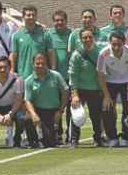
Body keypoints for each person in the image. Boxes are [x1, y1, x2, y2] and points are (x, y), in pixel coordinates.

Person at [97, 31, 128, 147]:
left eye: (119, 44)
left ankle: (126, 137)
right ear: (110, 43)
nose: (116, 47)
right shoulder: (103, 53)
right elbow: (100, 75)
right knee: (106, 109)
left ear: (124, 43)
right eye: (113, 44)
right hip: (110, 81)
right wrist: (106, 96)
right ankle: (112, 137)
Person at [67, 27, 105, 148]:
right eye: (85, 38)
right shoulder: (76, 54)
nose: (87, 40)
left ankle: (98, 139)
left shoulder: (100, 52)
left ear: (94, 38)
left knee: (96, 116)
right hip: (80, 89)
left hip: (95, 89)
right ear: (81, 39)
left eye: (90, 37)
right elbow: (73, 75)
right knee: (76, 115)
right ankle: (74, 140)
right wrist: (75, 95)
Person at [22, 53, 69, 148]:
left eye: (42, 63)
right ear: (33, 64)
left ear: (47, 64)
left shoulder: (56, 76)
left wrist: (60, 111)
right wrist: (33, 114)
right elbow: (27, 101)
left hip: (52, 112)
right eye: (37, 63)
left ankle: (49, 136)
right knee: (27, 118)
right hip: (37, 109)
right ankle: (33, 140)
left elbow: (66, 92)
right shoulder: (29, 80)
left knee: (50, 143)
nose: (40, 66)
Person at [10, 5, 55, 82]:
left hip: (42, 76)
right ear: (23, 17)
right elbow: (13, 55)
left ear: (36, 17)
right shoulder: (17, 35)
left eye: (33, 15)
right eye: (28, 15)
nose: (31, 17)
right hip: (23, 76)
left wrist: (53, 70)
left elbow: (51, 53)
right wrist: (12, 71)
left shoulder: (45, 33)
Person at [46, 10, 72, 145]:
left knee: (70, 108)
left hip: (70, 77)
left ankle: (70, 135)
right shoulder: (48, 34)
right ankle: (57, 134)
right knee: (56, 107)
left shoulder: (72, 34)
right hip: (55, 78)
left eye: (62, 20)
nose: (59, 22)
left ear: (66, 21)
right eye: (56, 20)